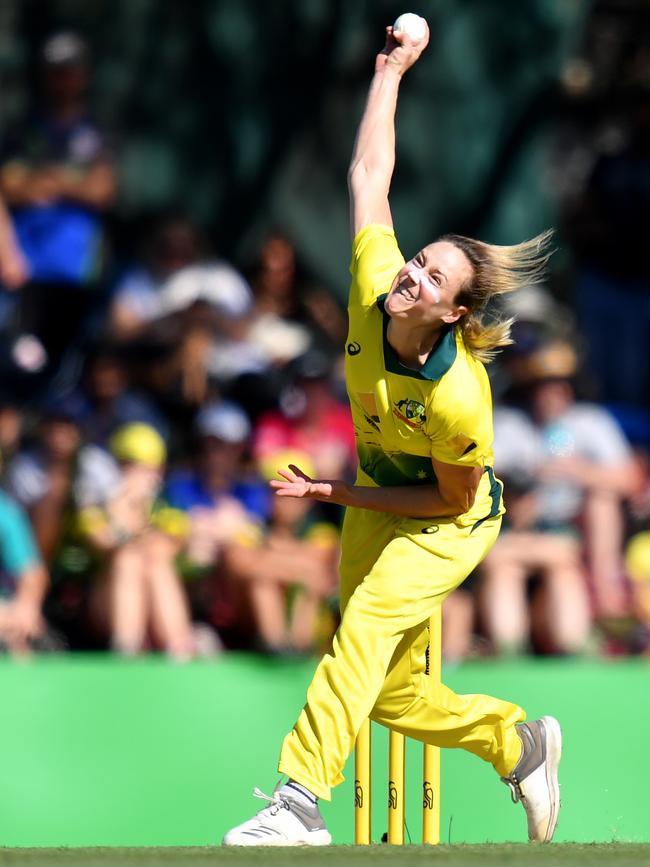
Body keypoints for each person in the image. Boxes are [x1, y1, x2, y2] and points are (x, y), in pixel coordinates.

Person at [224, 22, 561, 846]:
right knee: (387, 693)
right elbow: (369, 174)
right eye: (421, 257)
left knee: (366, 622)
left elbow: (444, 499)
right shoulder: (377, 282)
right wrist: (391, 72)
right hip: (379, 497)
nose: (411, 269)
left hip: (452, 517)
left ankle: (299, 801)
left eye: (433, 275)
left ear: (453, 311)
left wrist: (336, 490)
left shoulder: (458, 398)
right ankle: (516, 744)